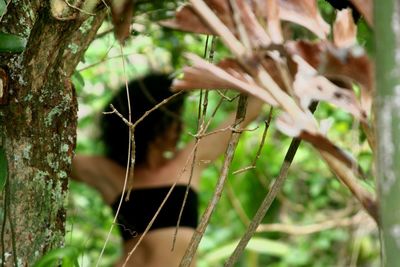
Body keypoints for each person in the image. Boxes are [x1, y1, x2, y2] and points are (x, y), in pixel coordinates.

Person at [71, 73, 263, 266]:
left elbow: (245, 114)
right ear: (152, 120)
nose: (180, 127)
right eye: (173, 119)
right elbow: (50, 155)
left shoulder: (187, 162)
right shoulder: (108, 171)